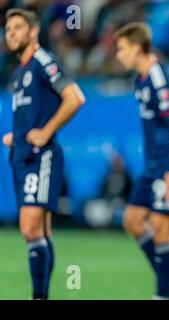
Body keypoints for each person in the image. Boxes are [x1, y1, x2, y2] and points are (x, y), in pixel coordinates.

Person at [2, 8, 85, 299]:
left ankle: (38, 296)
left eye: (16, 28)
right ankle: (42, 295)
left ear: (33, 31)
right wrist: (19, 136)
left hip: (42, 157)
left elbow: (75, 97)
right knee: (41, 232)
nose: (10, 33)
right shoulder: (19, 71)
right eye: (7, 29)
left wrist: (46, 131)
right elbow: (33, 114)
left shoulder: (42, 60)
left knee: (29, 227)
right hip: (22, 157)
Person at [115, 22, 169, 300]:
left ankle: (163, 294)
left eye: (121, 49)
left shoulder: (160, 79)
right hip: (152, 166)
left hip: (168, 165)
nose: (118, 55)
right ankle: (168, 284)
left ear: (136, 48)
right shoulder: (140, 79)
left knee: (160, 228)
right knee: (132, 221)